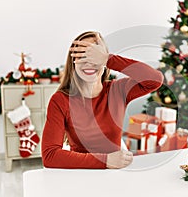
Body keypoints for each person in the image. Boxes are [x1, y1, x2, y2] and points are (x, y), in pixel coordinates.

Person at [41, 31, 164, 169]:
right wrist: (105, 161)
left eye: (94, 56)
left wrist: (108, 59)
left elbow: (155, 80)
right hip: (79, 173)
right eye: (82, 56)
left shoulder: (118, 90)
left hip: (114, 173)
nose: (89, 63)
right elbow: (50, 155)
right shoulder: (60, 100)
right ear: (73, 62)